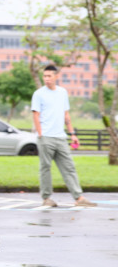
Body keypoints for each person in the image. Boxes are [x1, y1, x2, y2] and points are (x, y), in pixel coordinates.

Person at [31, 65, 97, 207]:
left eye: (49, 76)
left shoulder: (62, 92)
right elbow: (36, 115)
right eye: (45, 76)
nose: (47, 79)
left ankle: (79, 198)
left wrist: (72, 134)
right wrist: (41, 134)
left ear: (56, 76)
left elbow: (66, 115)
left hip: (60, 137)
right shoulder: (38, 94)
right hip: (46, 137)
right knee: (45, 168)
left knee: (69, 167)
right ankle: (46, 198)